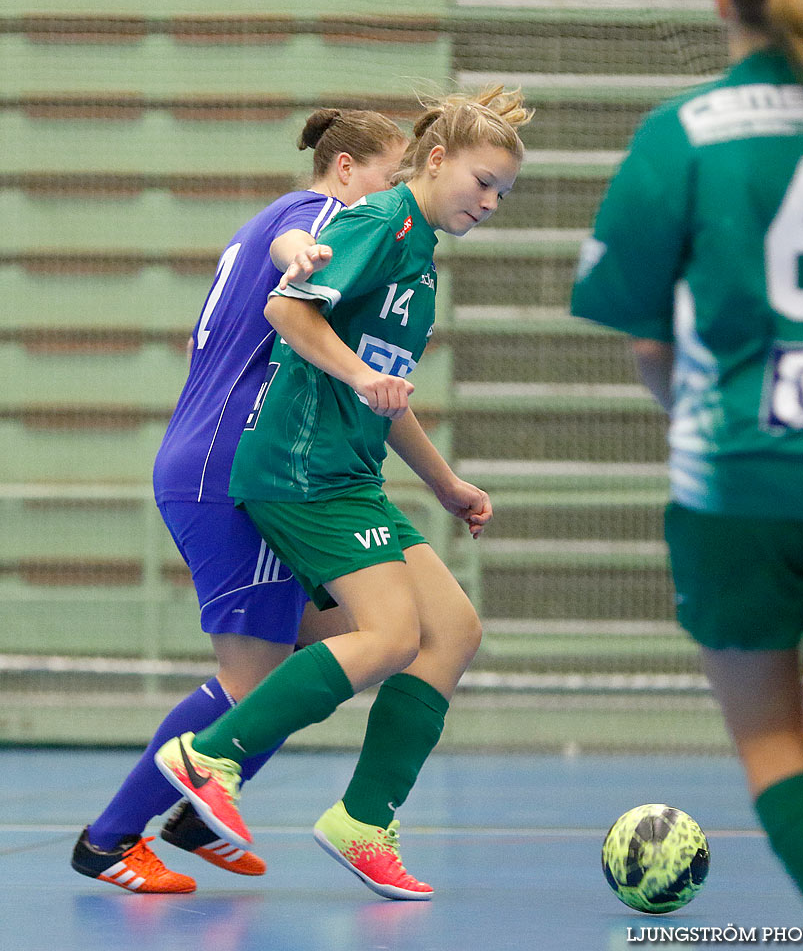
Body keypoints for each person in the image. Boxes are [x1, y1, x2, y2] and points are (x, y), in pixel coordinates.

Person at [570, 0, 803, 944]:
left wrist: (685, 404)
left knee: (774, 742)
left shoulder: (680, 136)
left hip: (741, 482)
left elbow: (646, 337)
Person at [154, 86, 530, 900]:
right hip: (300, 470)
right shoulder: (378, 223)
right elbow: (286, 307)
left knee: (453, 631)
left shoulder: (419, 258)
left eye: (504, 193)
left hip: (348, 475)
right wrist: (359, 373)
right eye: (483, 182)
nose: (492, 203)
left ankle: (364, 818)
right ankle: (210, 755)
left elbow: (386, 396)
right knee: (392, 635)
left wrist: (448, 483)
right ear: (436, 160)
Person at [71, 109, 409, 893]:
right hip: (228, 468)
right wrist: (307, 257)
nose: (396, 196)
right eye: (393, 176)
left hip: (240, 463)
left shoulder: (287, 214)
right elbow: (295, 248)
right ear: (349, 168)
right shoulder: (320, 217)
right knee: (252, 683)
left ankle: (192, 819)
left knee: (357, 640)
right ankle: (109, 840)